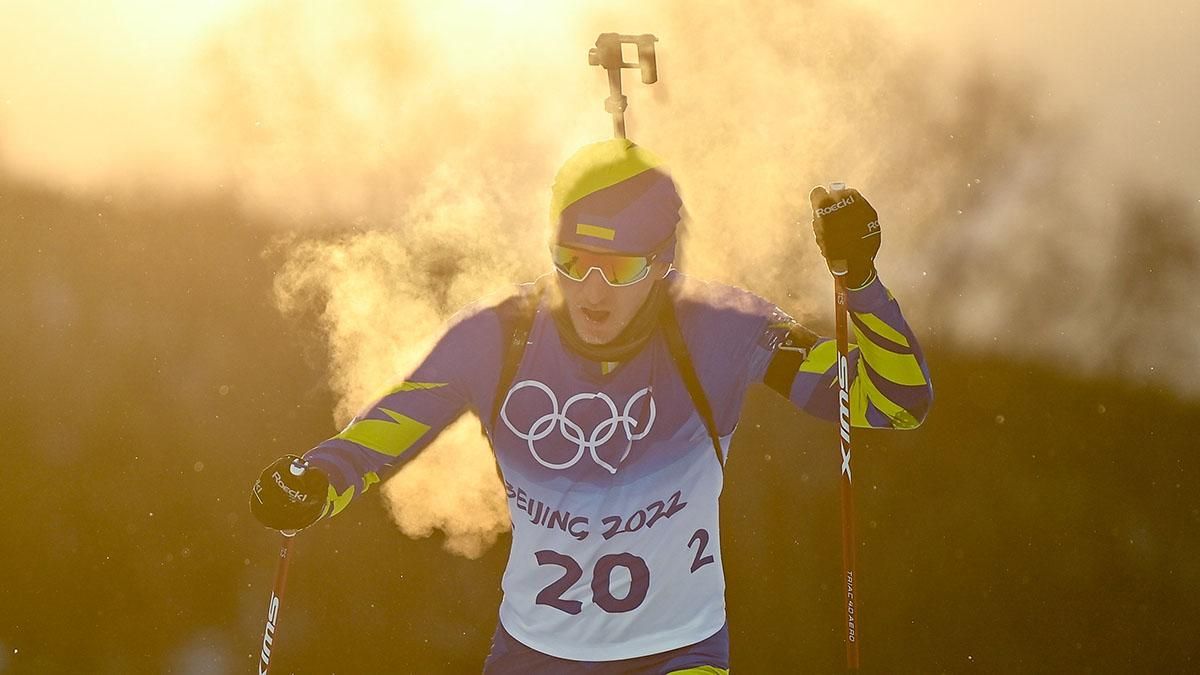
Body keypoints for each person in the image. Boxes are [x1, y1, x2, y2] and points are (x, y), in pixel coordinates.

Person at [250, 138, 933, 673]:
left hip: (679, 652)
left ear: (663, 262)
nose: (594, 291)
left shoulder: (722, 328)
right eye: (573, 261)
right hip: (535, 654)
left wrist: (859, 281)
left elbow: (895, 401)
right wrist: (314, 483)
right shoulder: (497, 336)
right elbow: (382, 435)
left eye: (624, 266)